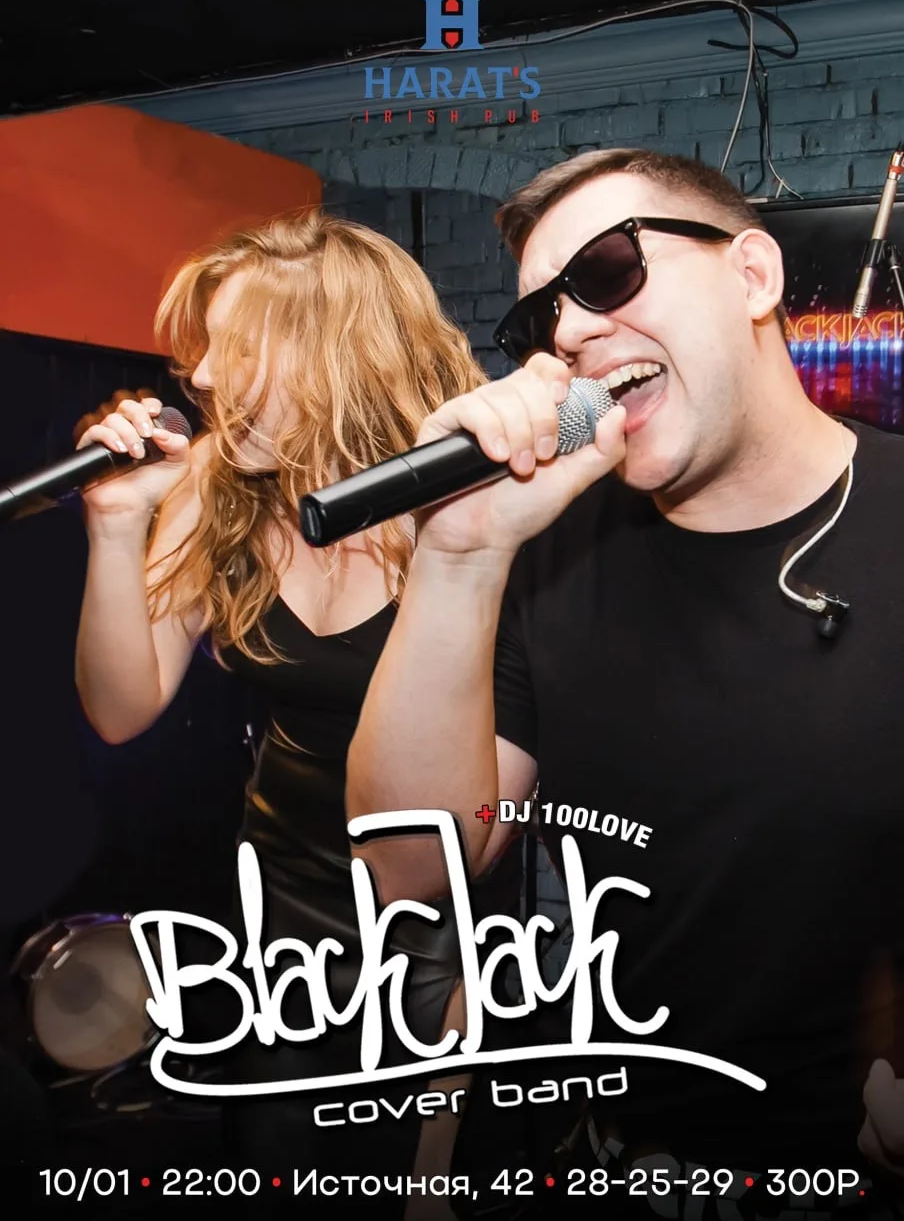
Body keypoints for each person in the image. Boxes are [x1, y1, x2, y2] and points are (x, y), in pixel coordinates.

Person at [346, 148, 904, 1215]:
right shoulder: (549, 551)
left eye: (606, 272)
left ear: (752, 276)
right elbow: (409, 866)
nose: (567, 331)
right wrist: (459, 555)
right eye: (539, 317)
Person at [73, 208, 521, 1217]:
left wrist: (451, 1093)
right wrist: (117, 524)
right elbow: (120, 708)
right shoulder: (222, 490)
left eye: (236, 351)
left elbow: (485, 832)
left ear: (334, 352)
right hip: (281, 919)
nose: (203, 377)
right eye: (205, 351)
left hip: (443, 922)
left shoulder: (469, 509)